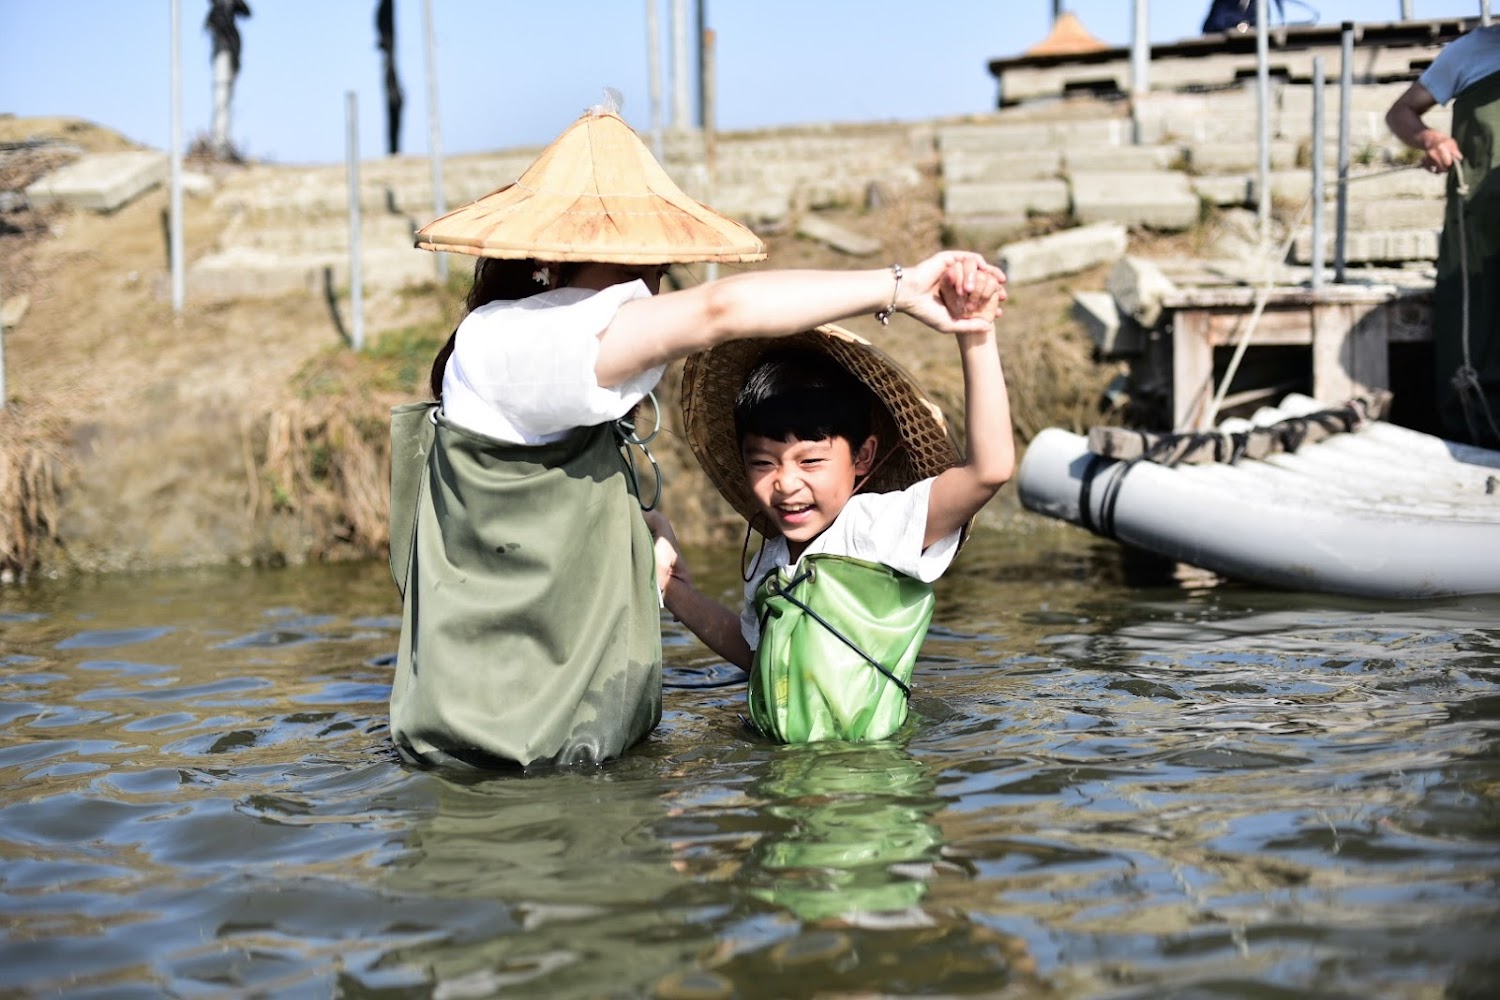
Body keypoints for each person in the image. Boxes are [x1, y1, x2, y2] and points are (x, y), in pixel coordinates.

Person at [387, 98, 1004, 770]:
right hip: (511, 743)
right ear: (553, 265)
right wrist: (901, 287)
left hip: (554, 737)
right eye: (646, 264)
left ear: (863, 459)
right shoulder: (521, 341)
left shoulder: (870, 529)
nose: (652, 289)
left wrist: (643, 544)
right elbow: (719, 309)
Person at [646, 286, 1012, 744]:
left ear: (863, 457)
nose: (786, 483)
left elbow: (989, 469)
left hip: (864, 781)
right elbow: (758, 653)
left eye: (811, 461)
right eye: (763, 462)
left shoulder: (879, 527)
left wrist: (975, 334)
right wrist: (673, 590)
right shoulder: (769, 558)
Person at [1385, 21, 1500, 448]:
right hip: (1480, 225)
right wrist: (1429, 138)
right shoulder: (1469, 52)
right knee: (1477, 336)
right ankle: (1476, 431)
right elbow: (1400, 112)